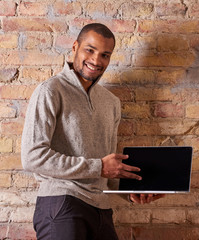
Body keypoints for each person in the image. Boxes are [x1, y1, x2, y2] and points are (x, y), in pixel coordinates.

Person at [21, 23, 164, 240]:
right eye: (90, 50)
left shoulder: (111, 102)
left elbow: (107, 166)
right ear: (75, 47)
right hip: (62, 203)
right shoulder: (50, 91)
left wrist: (130, 191)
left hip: (101, 208)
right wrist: (98, 167)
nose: (97, 61)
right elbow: (32, 158)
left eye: (105, 55)